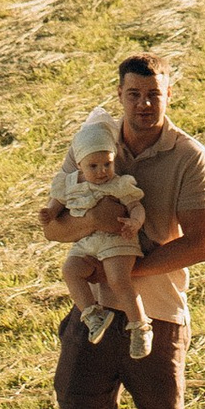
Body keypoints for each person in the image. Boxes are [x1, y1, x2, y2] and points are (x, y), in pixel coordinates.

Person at [7, 53, 205, 409]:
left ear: (169, 95)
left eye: (155, 95)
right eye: (135, 95)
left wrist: (126, 267)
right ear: (120, 95)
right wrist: (93, 226)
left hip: (159, 314)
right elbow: (55, 229)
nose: (145, 105)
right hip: (92, 316)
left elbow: (202, 244)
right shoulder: (91, 145)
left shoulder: (189, 156)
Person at [59, 115, 151, 351]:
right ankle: (92, 314)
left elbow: (136, 206)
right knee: (70, 270)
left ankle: (140, 326)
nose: (101, 171)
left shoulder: (120, 184)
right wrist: (49, 213)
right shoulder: (73, 185)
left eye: (107, 164)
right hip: (88, 243)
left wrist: (135, 222)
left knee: (118, 278)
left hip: (117, 240)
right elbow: (57, 205)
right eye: (93, 166)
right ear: (80, 165)